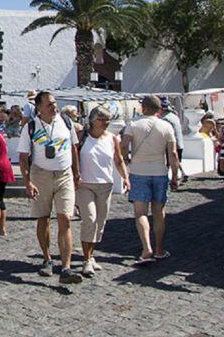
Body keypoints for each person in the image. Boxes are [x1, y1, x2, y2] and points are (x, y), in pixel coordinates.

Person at [19, 91, 83, 284]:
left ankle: (66, 267)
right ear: (39, 108)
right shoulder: (30, 127)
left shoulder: (66, 122)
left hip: (64, 174)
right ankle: (47, 258)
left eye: (54, 103)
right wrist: (27, 181)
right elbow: (23, 156)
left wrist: (76, 173)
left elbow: (73, 147)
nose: (54, 107)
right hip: (41, 175)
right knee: (43, 218)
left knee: (65, 219)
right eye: (49, 104)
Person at [121, 95, 179, 265]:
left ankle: (146, 248)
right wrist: (175, 175)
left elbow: (123, 145)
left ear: (143, 108)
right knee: (159, 213)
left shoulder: (133, 124)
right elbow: (173, 154)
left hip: (139, 172)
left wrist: (125, 160)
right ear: (159, 109)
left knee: (140, 213)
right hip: (160, 172)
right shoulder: (166, 126)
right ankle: (159, 250)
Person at [76, 106, 130, 277]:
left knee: (100, 223)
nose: (105, 123)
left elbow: (118, 160)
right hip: (85, 184)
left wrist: (125, 177)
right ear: (93, 120)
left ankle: (91, 255)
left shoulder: (112, 138)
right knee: (89, 220)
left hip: (105, 184)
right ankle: (86, 259)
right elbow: (73, 156)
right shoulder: (82, 136)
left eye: (107, 120)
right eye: (101, 119)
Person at [160, 99, 189, 184]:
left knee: (170, 162)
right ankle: (183, 174)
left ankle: (170, 178)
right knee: (175, 160)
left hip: (171, 144)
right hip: (179, 143)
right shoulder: (174, 116)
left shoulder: (165, 119)